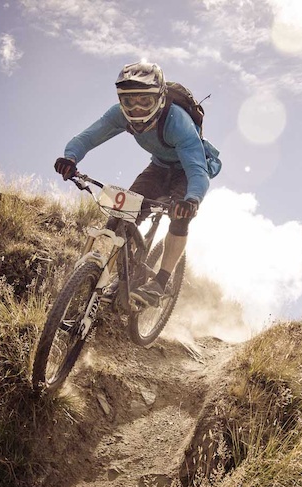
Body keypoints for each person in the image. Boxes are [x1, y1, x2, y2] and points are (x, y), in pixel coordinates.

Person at [54, 62, 220, 306]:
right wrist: (70, 157)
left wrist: (191, 199)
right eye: (129, 101)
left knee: (180, 218)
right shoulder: (120, 115)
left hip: (186, 172)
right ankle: (123, 278)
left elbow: (197, 169)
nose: (137, 108)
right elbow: (89, 136)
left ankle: (160, 283)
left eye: (145, 101)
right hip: (158, 168)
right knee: (120, 217)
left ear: (160, 99)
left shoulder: (178, 122)